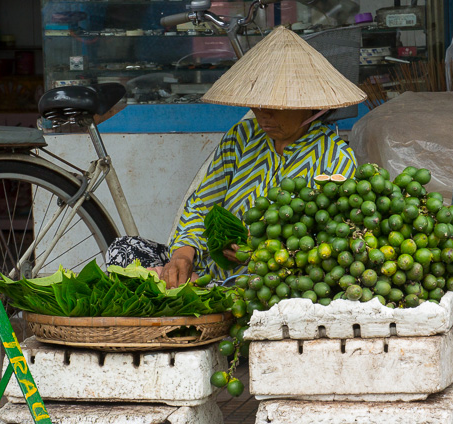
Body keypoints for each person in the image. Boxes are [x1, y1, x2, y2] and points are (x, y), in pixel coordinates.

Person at [106, 25, 366, 287]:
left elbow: (330, 244)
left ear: (312, 105)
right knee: (123, 250)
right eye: (258, 104)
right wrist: (183, 256)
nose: (264, 115)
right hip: (207, 266)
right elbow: (202, 205)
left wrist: (261, 258)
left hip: (272, 280)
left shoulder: (335, 158)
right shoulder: (242, 136)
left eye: (276, 107)